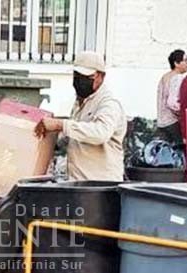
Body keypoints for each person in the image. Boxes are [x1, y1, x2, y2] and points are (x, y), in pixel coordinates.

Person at [34, 51, 127, 181]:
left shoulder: (109, 104)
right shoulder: (81, 101)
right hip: (79, 182)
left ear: (101, 76)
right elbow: (76, 134)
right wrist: (52, 143)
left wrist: (60, 124)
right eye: (77, 76)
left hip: (101, 186)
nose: (80, 81)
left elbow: (101, 133)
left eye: (87, 77)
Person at [156, 49, 187, 144]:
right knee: (181, 154)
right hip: (172, 122)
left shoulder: (165, 77)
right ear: (176, 63)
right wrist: (182, 112)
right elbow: (171, 103)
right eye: (185, 60)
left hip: (162, 122)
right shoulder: (177, 78)